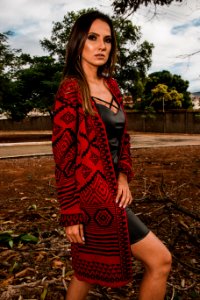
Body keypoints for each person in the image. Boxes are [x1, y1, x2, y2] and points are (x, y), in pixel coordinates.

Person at [52, 10, 172, 300]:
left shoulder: (112, 86)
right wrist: (70, 213)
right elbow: (63, 159)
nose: (101, 45)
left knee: (86, 272)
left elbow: (124, 139)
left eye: (107, 39)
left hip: (112, 191)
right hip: (92, 198)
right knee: (161, 260)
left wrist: (123, 176)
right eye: (92, 37)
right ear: (78, 42)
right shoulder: (71, 90)